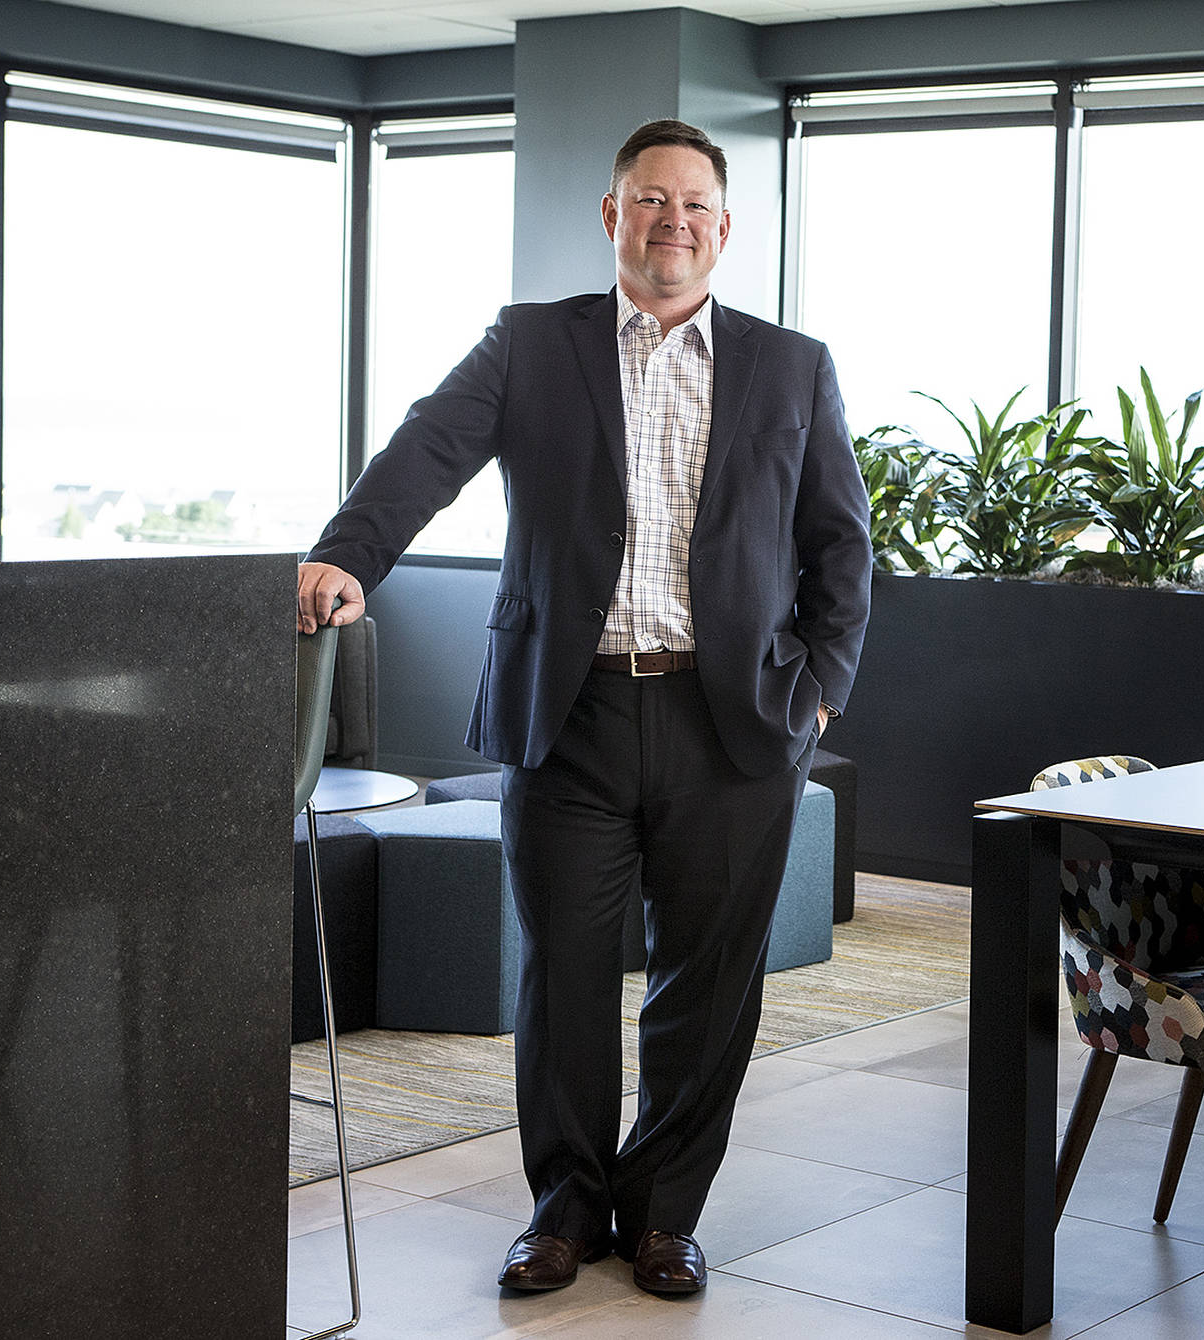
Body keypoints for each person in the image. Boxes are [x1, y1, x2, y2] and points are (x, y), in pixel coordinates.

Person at [295, 118, 870, 1298]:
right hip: (573, 714)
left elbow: (840, 548)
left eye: (694, 204)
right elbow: (426, 451)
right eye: (649, 200)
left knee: (706, 982)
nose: (672, 222)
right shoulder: (530, 345)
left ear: (723, 226)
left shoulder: (790, 364)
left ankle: (661, 1213)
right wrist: (347, 554)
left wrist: (814, 691)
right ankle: (562, 1206)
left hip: (738, 725)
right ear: (611, 216)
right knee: (558, 972)